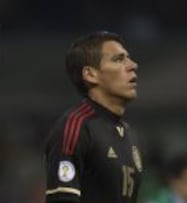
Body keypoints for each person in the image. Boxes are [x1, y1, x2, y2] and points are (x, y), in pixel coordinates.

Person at [45, 31, 142, 203]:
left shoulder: (128, 132)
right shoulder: (76, 125)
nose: (133, 65)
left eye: (129, 58)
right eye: (118, 59)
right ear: (90, 74)